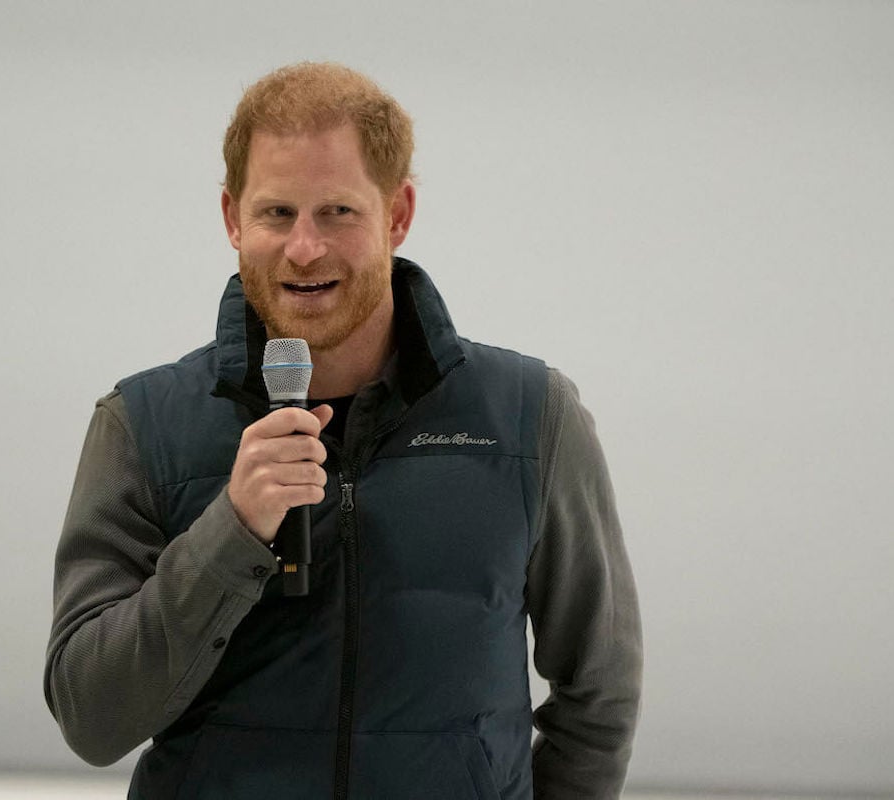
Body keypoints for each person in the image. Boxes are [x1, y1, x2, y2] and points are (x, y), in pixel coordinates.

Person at [44, 62, 641, 800]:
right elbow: (90, 717)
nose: (303, 249)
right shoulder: (142, 426)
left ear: (397, 214)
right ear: (232, 217)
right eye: (276, 213)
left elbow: (600, 691)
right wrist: (230, 532)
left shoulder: (528, 416)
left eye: (337, 212)